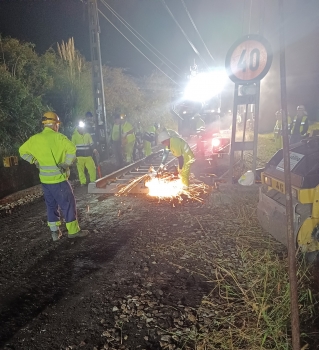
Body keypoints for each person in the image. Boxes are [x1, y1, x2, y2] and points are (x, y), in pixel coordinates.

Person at [19, 112, 89, 241]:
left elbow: (22, 151)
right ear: (55, 125)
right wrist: (66, 163)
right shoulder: (59, 138)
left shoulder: (35, 139)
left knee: (51, 205)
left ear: (44, 124)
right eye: (57, 124)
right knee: (68, 203)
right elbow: (72, 149)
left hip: (45, 181)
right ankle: (73, 231)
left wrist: (34, 160)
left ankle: (55, 233)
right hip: (59, 180)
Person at [72, 120, 97, 186]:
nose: (81, 129)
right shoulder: (74, 136)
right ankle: (83, 182)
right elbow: (72, 147)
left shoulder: (87, 135)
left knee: (92, 168)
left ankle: (93, 181)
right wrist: (74, 156)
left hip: (88, 156)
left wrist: (94, 149)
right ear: (77, 128)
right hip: (79, 157)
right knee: (81, 171)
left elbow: (91, 143)